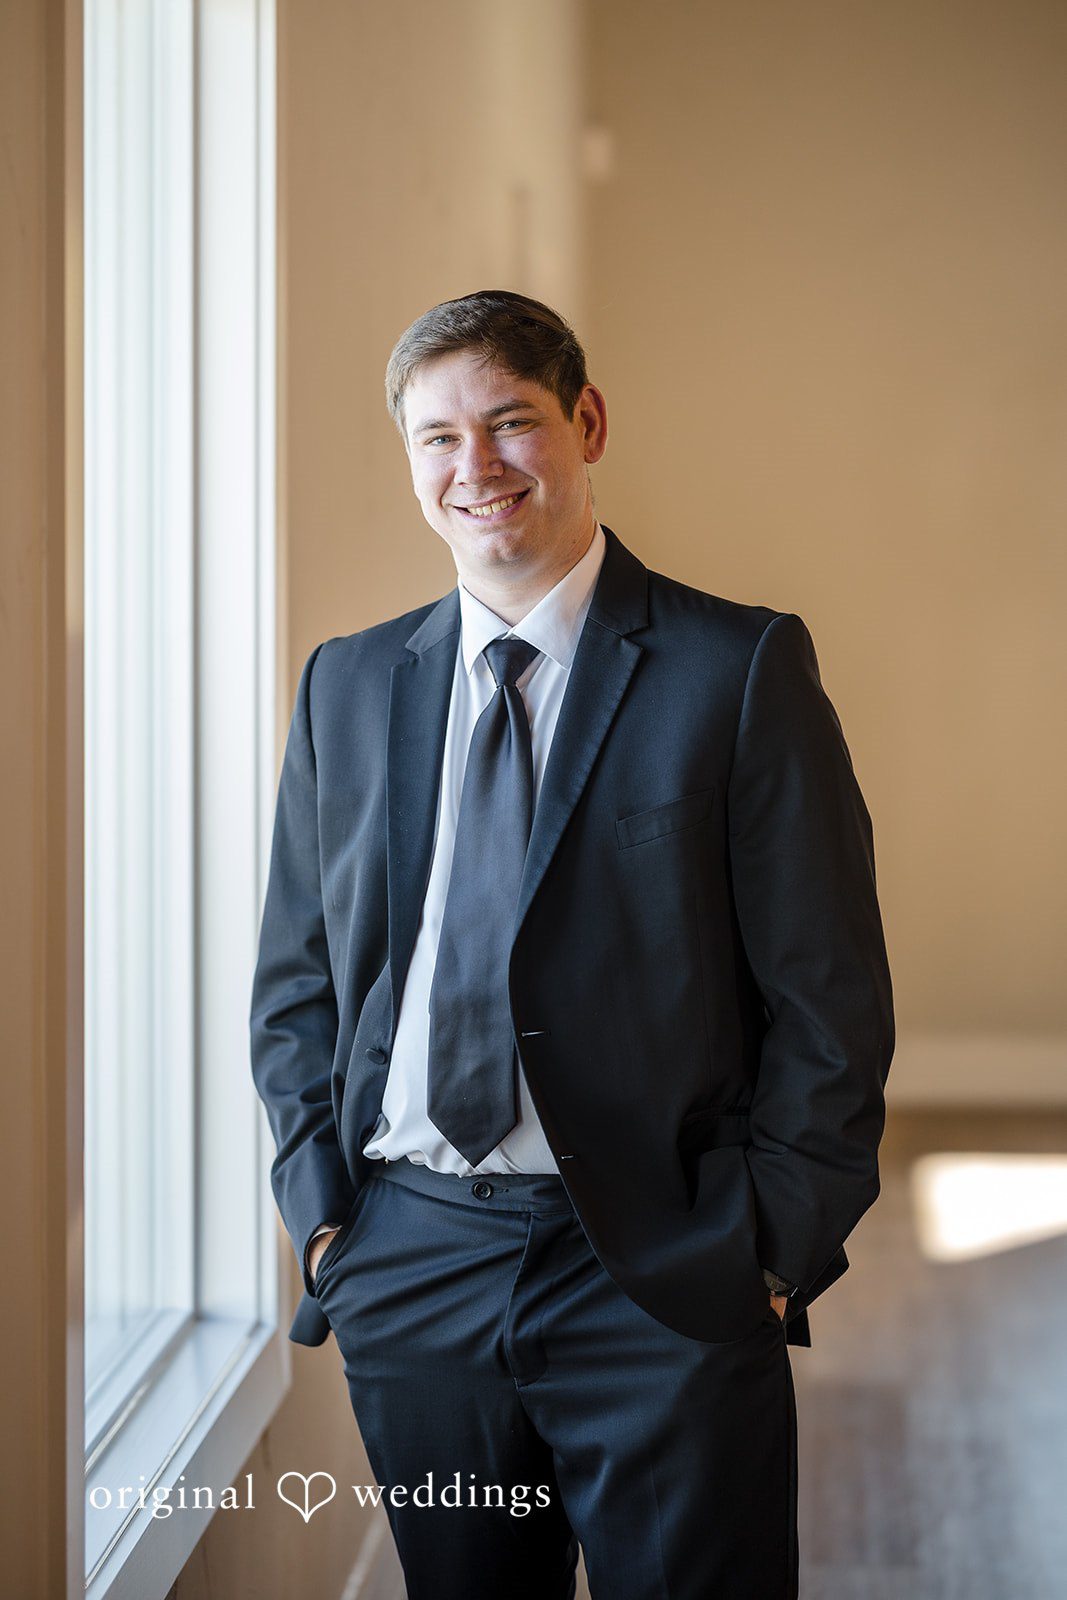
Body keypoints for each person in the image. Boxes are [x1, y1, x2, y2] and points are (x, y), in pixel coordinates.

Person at [250, 289, 894, 1599]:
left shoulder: (737, 669)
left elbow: (829, 997)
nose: (475, 466)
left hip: (663, 1273)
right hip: (411, 1268)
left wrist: (772, 1254)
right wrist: (328, 1229)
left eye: (511, 422)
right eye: (438, 437)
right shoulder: (347, 686)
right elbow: (297, 984)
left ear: (586, 423)